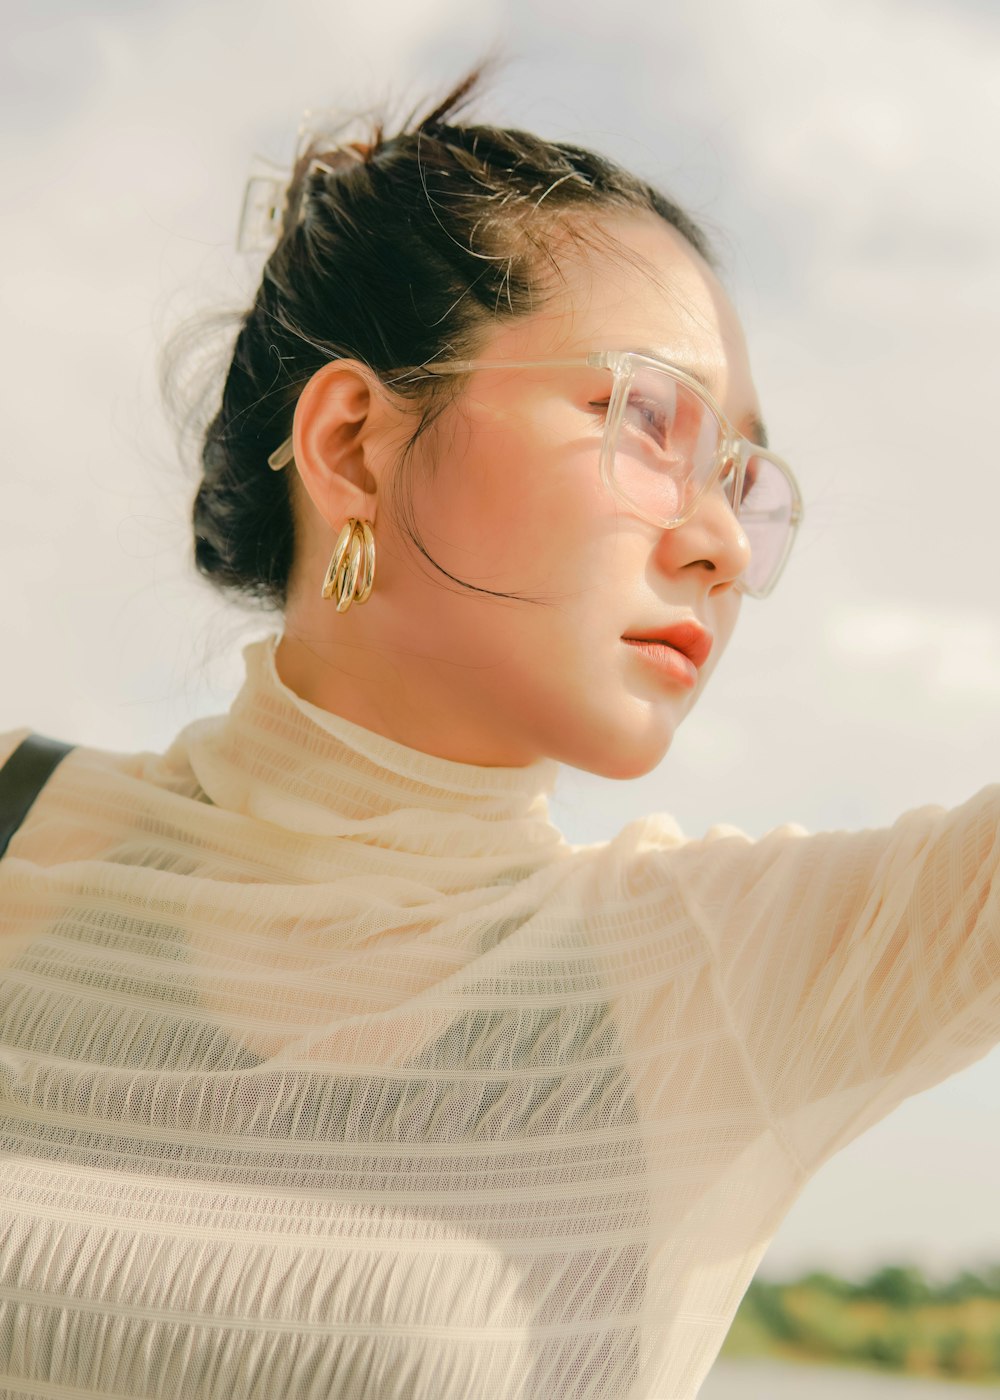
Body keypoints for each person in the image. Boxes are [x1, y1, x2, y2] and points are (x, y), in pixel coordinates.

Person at [0, 61, 996, 1400]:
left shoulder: (722, 976)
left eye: (745, 484)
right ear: (352, 443)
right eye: (650, 421)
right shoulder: (17, 832)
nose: (716, 545)